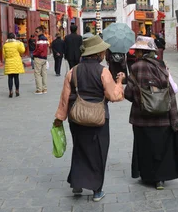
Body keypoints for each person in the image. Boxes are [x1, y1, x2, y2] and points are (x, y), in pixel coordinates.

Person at [53, 36, 125, 202]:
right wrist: (119, 82)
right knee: (98, 153)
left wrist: (59, 118)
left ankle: (77, 185)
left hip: (76, 117)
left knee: (80, 150)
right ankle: (96, 191)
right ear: (99, 53)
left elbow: (64, 98)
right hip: (99, 117)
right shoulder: (103, 71)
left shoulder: (73, 71)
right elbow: (113, 96)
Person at [124, 36, 178, 190]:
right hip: (163, 115)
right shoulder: (162, 66)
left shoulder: (136, 67)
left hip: (141, 117)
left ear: (141, 52)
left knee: (145, 146)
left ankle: (147, 175)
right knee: (161, 146)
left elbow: (129, 94)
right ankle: (160, 179)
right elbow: (173, 89)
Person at [3, 33, 25, 98]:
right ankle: (17, 90)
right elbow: (22, 50)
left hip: (9, 63)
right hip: (16, 62)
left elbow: (4, 55)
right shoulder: (17, 44)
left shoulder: (5, 45)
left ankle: (10, 91)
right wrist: (21, 43)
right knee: (16, 77)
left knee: (10, 78)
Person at [33, 26, 49, 94]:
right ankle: (44, 88)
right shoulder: (45, 39)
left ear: (41, 31)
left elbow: (40, 49)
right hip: (44, 58)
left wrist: (34, 54)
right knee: (44, 74)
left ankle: (39, 89)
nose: (36, 33)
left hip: (39, 57)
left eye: (37, 31)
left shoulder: (40, 39)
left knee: (37, 74)